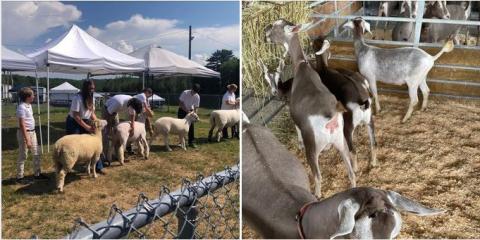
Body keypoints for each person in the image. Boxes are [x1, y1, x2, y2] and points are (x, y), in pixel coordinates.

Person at [65, 79, 106, 175]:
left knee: (95, 143)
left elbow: (92, 113)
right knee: (74, 144)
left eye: (94, 88)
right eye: (91, 88)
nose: (93, 90)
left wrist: (98, 122)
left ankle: (98, 167)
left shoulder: (92, 98)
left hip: (86, 121)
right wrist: (87, 127)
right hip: (74, 122)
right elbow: (76, 115)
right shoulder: (77, 98)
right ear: (86, 88)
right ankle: (68, 166)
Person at [16, 87, 48, 184]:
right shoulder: (21, 107)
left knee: (36, 153)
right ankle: (19, 177)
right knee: (23, 155)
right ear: (27, 97)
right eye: (33, 95)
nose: (34, 96)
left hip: (32, 132)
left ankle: (37, 174)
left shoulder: (28, 105)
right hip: (24, 133)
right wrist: (27, 139)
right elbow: (22, 124)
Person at [102, 94, 143, 160]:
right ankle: (104, 157)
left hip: (115, 112)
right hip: (107, 110)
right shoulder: (119, 102)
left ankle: (118, 155)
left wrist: (132, 127)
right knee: (105, 134)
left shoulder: (132, 102)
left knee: (117, 134)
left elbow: (132, 115)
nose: (133, 110)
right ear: (132, 105)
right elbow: (108, 114)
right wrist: (108, 127)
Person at [178, 84, 200, 148]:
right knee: (180, 127)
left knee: (191, 127)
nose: (194, 93)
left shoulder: (197, 96)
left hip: (191, 111)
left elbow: (196, 107)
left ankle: (191, 142)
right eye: (194, 91)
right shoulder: (185, 93)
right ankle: (181, 142)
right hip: (182, 110)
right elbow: (180, 103)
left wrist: (195, 114)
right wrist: (187, 111)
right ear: (191, 89)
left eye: (196, 92)